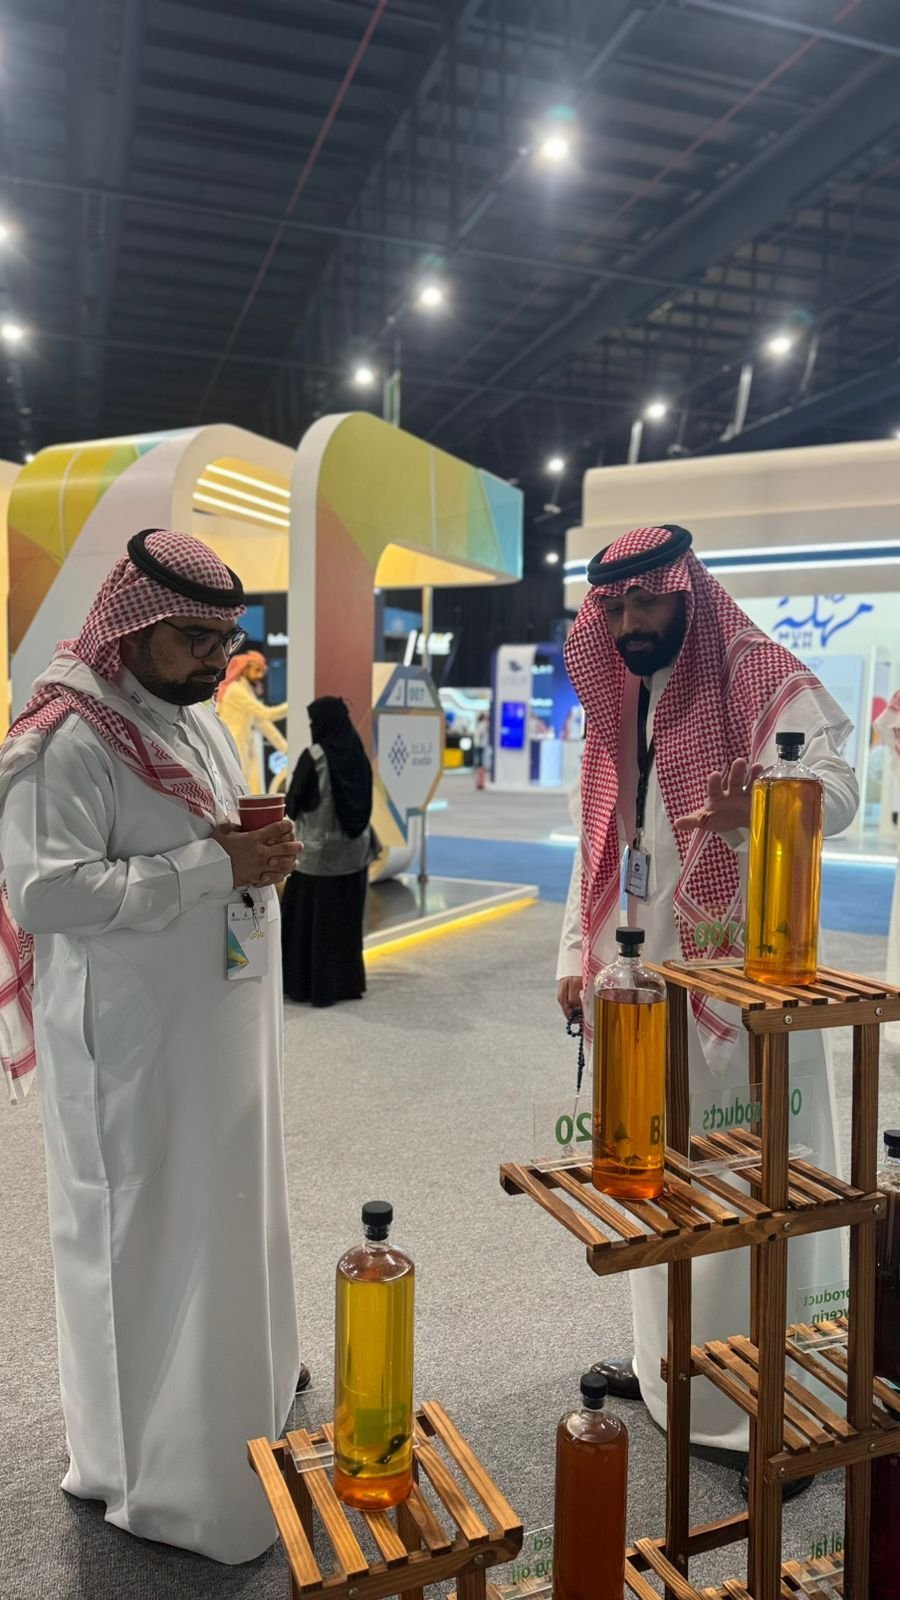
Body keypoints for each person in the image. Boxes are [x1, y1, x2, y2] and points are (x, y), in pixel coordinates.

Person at [0, 529, 302, 1563]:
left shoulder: (192, 714)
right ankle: (155, 1481)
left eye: (225, 639)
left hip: (214, 1024)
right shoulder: (65, 736)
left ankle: (238, 1411)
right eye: (193, 639)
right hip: (129, 1049)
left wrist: (257, 857)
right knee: (141, 1237)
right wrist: (215, 869)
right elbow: (43, 892)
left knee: (221, 1214)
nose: (216, 660)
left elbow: (211, 837)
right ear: (130, 627)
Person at [557, 523, 858, 1484]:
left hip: (742, 978)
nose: (631, 623)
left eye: (647, 601)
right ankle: (666, 1372)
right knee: (654, 1176)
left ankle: (768, 1403)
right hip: (640, 983)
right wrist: (574, 954)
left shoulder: (753, 669)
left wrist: (763, 804)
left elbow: (842, 791)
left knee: (748, 1187)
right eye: (615, 608)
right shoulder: (620, 695)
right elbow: (601, 844)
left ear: (687, 593)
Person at [281, 696, 373, 1007]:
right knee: (344, 927)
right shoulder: (357, 753)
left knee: (310, 926)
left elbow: (294, 803)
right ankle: (345, 985)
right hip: (355, 856)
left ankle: (309, 987)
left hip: (318, 860)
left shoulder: (315, 757)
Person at [217, 648, 288, 794]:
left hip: (245, 744)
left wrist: (285, 748)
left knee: (250, 791)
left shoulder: (246, 690)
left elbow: (261, 723)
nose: (260, 676)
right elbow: (266, 714)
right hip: (233, 744)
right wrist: (292, 705)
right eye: (257, 670)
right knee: (236, 790)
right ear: (245, 669)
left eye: (262, 671)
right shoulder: (236, 690)